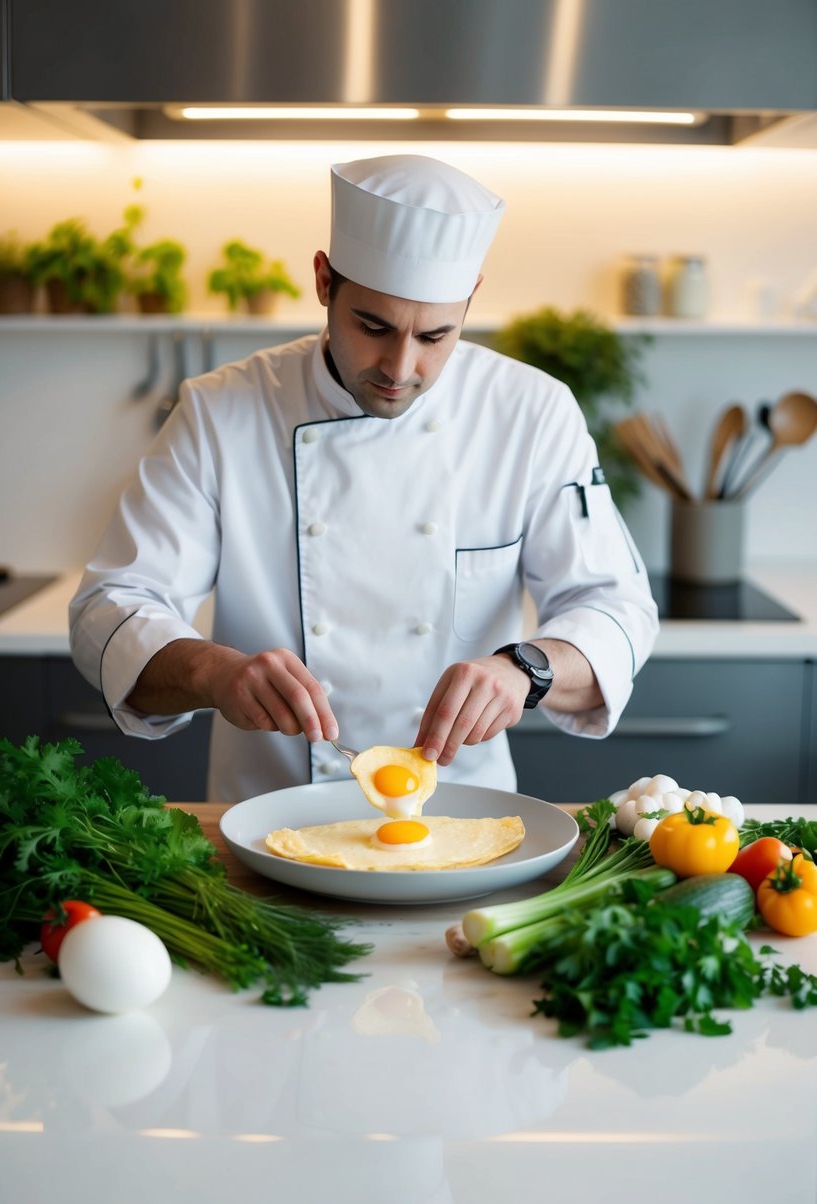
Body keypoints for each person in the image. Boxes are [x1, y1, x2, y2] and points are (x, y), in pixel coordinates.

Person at [69, 154, 658, 804]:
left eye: (436, 335)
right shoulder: (221, 410)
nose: (400, 367)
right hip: (266, 819)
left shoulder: (530, 412)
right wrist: (214, 672)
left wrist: (526, 670)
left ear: (470, 301)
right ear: (324, 281)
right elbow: (110, 605)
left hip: (465, 818)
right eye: (372, 327)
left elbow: (614, 606)